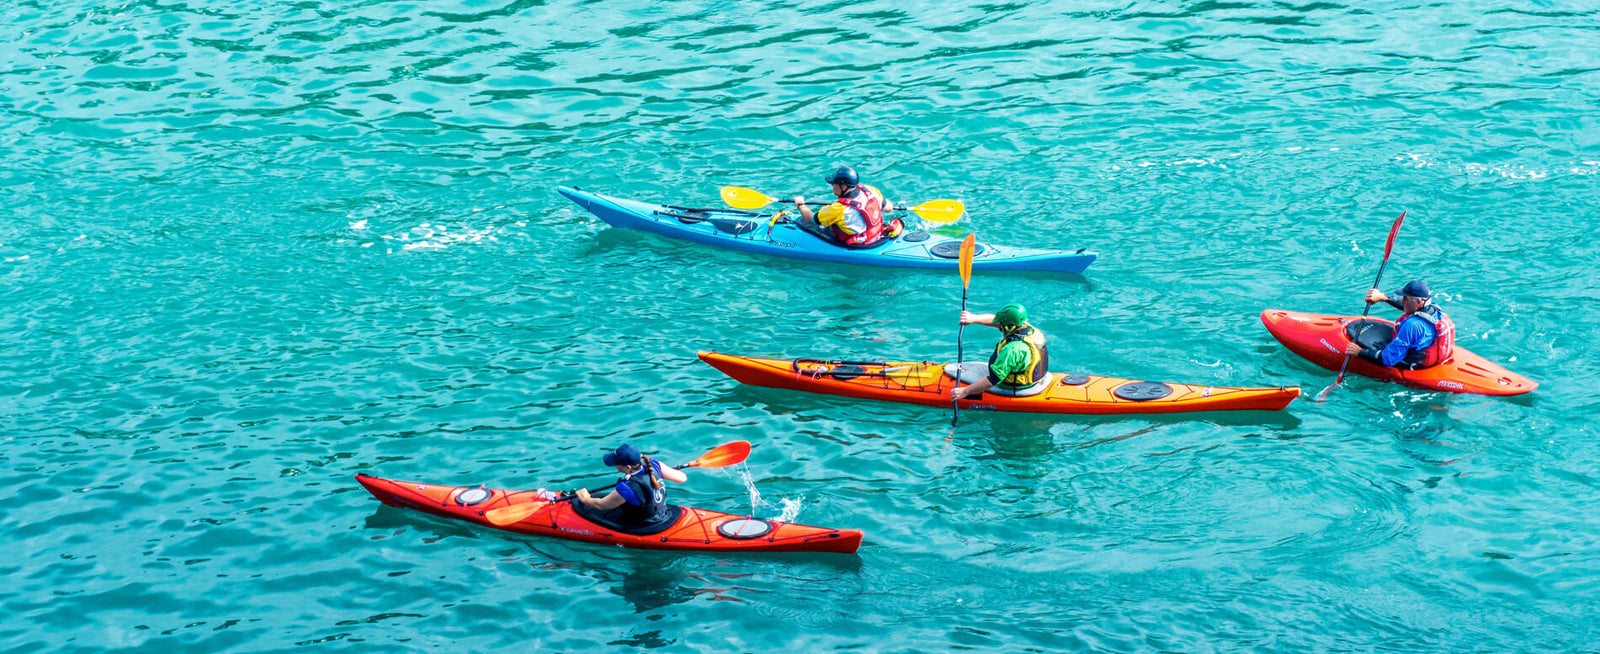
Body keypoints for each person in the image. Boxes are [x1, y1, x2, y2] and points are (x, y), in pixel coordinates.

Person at [1343, 280, 1455, 369]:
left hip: (1413, 364)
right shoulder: (1435, 311)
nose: (1402, 301)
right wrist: (1384, 298)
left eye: (1406, 298)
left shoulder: (1411, 326)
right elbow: (1410, 309)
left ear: (1420, 301)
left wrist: (1359, 352)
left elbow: (1389, 359)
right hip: (1433, 358)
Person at [951, 303, 1051, 400]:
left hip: (1014, 386)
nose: (1000, 327)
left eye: (1002, 326)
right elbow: (998, 322)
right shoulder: (1030, 329)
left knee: (992, 378)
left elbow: (993, 380)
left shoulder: (1012, 350)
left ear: (1010, 327)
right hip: (1037, 380)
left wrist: (964, 392)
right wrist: (973, 318)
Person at [573, 444, 687, 529]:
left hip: (645, 523)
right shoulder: (653, 464)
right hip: (663, 514)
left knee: (586, 505)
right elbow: (682, 478)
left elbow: (601, 505)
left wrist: (585, 499)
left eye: (616, 464)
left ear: (628, 467)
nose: (615, 467)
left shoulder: (627, 487)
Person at [790, 166, 903, 248]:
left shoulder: (838, 209)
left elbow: (810, 219)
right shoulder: (871, 190)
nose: (831, 186)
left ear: (844, 187)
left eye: (833, 184)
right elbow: (888, 207)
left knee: (806, 223)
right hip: (877, 234)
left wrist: (801, 205)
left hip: (858, 242)